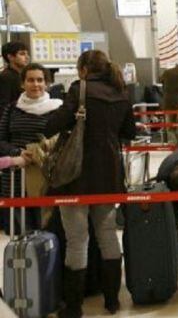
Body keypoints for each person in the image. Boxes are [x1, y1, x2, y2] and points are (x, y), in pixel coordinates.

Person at [44, 50, 137, 317]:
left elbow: (55, 123)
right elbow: (129, 132)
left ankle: (73, 308)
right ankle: (112, 301)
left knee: (77, 240)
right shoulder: (121, 92)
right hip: (108, 176)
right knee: (107, 235)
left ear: (83, 68)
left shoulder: (80, 89)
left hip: (76, 177)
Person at [0, 63, 62, 233]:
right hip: (16, 179)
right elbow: (1, 140)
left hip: (47, 178)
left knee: (48, 235)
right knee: (19, 235)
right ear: (22, 84)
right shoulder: (12, 109)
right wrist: (18, 152)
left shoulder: (58, 109)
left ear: (47, 83)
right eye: (31, 80)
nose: (36, 84)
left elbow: (64, 140)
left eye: (40, 80)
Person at [0, 41, 30, 112]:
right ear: (10, 57)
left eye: (27, 54)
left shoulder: (24, 75)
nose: (27, 57)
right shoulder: (6, 77)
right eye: (22, 54)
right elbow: (4, 105)